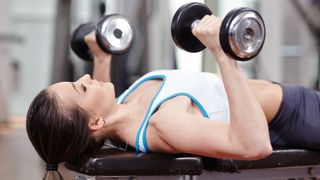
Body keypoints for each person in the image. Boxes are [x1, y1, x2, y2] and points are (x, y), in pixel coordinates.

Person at [26, 14, 320, 179]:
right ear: (94, 123)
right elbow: (254, 145)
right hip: (301, 117)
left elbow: (103, 114)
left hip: (297, 101)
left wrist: (102, 55)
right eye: (82, 88)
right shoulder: (163, 124)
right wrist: (223, 53)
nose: (87, 77)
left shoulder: (123, 110)